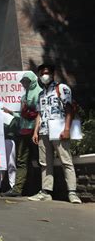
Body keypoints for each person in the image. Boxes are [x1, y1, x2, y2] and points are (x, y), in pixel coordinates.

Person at [28, 64, 82, 204]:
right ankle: (46, 192)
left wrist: (66, 129)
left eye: (46, 73)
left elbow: (69, 109)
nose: (44, 76)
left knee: (66, 160)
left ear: (52, 74)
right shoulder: (41, 94)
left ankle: (72, 192)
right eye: (41, 74)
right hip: (44, 131)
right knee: (45, 163)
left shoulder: (62, 88)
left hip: (58, 130)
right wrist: (35, 131)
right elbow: (39, 114)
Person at [1, 72, 42, 197]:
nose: (24, 84)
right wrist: (11, 112)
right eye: (23, 82)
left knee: (38, 160)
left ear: (32, 81)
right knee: (21, 161)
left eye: (26, 81)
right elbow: (22, 116)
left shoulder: (40, 94)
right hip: (24, 132)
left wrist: (36, 130)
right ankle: (17, 189)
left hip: (35, 132)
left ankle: (39, 188)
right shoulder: (24, 97)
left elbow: (39, 114)